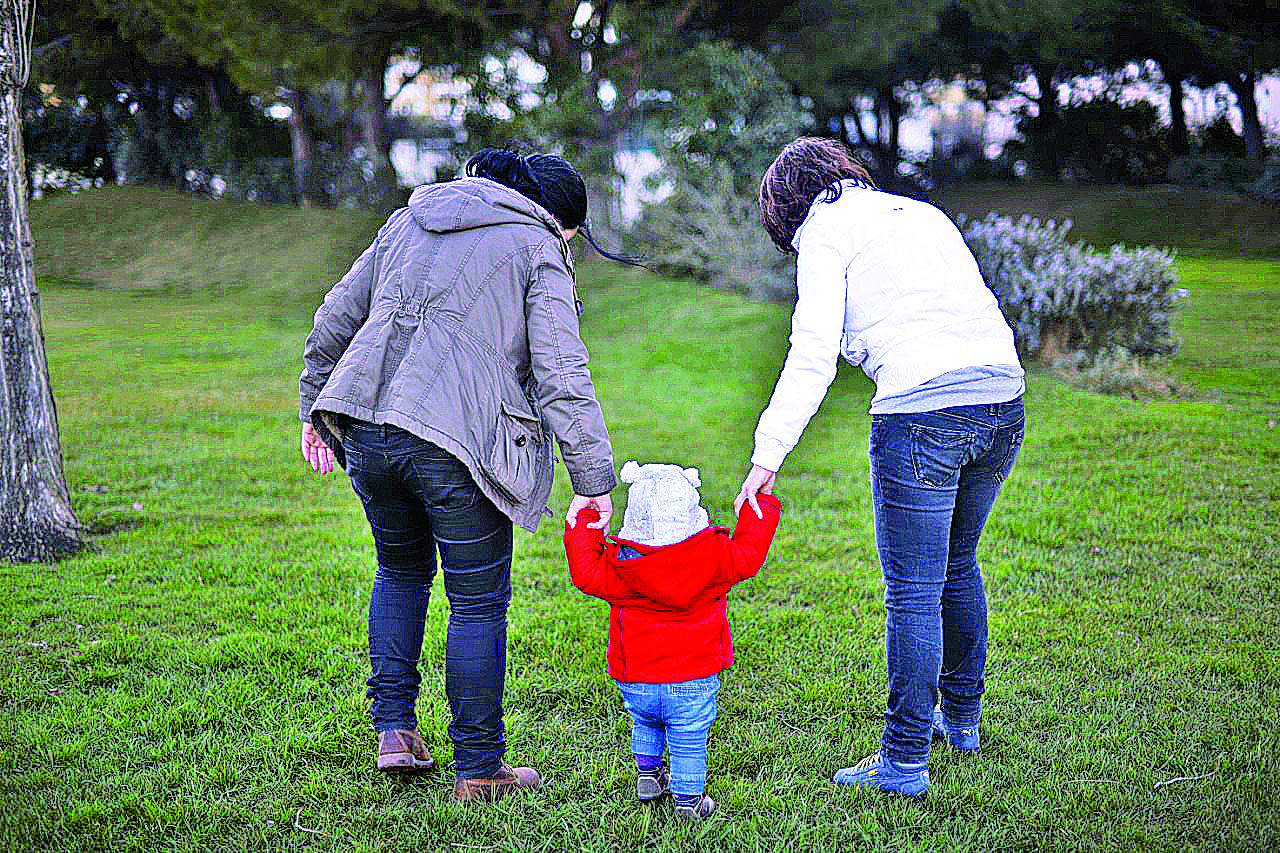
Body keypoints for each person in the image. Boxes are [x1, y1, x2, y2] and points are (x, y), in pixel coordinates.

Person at [299, 148, 631, 802]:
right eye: (572, 236)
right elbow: (563, 374)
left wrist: (315, 404)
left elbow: (335, 315)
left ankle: (394, 730)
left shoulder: (407, 219)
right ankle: (481, 768)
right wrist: (594, 480)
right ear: (557, 217)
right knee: (478, 602)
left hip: (365, 426)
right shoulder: (537, 242)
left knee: (399, 570)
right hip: (454, 442)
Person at [734, 137, 1025, 799]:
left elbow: (813, 354)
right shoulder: (920, 212)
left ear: (786, 207)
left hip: (922, 411)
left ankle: (901, 761)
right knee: (958, 561)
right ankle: (963, 720)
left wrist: (766, 456)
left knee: (914, 591)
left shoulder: (823, 233)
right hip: (1003, 399)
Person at [564, 461, 781, 820]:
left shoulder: (619, 566)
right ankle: (689, 800)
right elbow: (750, 555)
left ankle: (648, 777)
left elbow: (584, 574)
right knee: (688, 737)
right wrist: (759, 505)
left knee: (646, 722)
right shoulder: (716, 557)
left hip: (636, 678)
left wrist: (587, 521)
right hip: (694, 677)